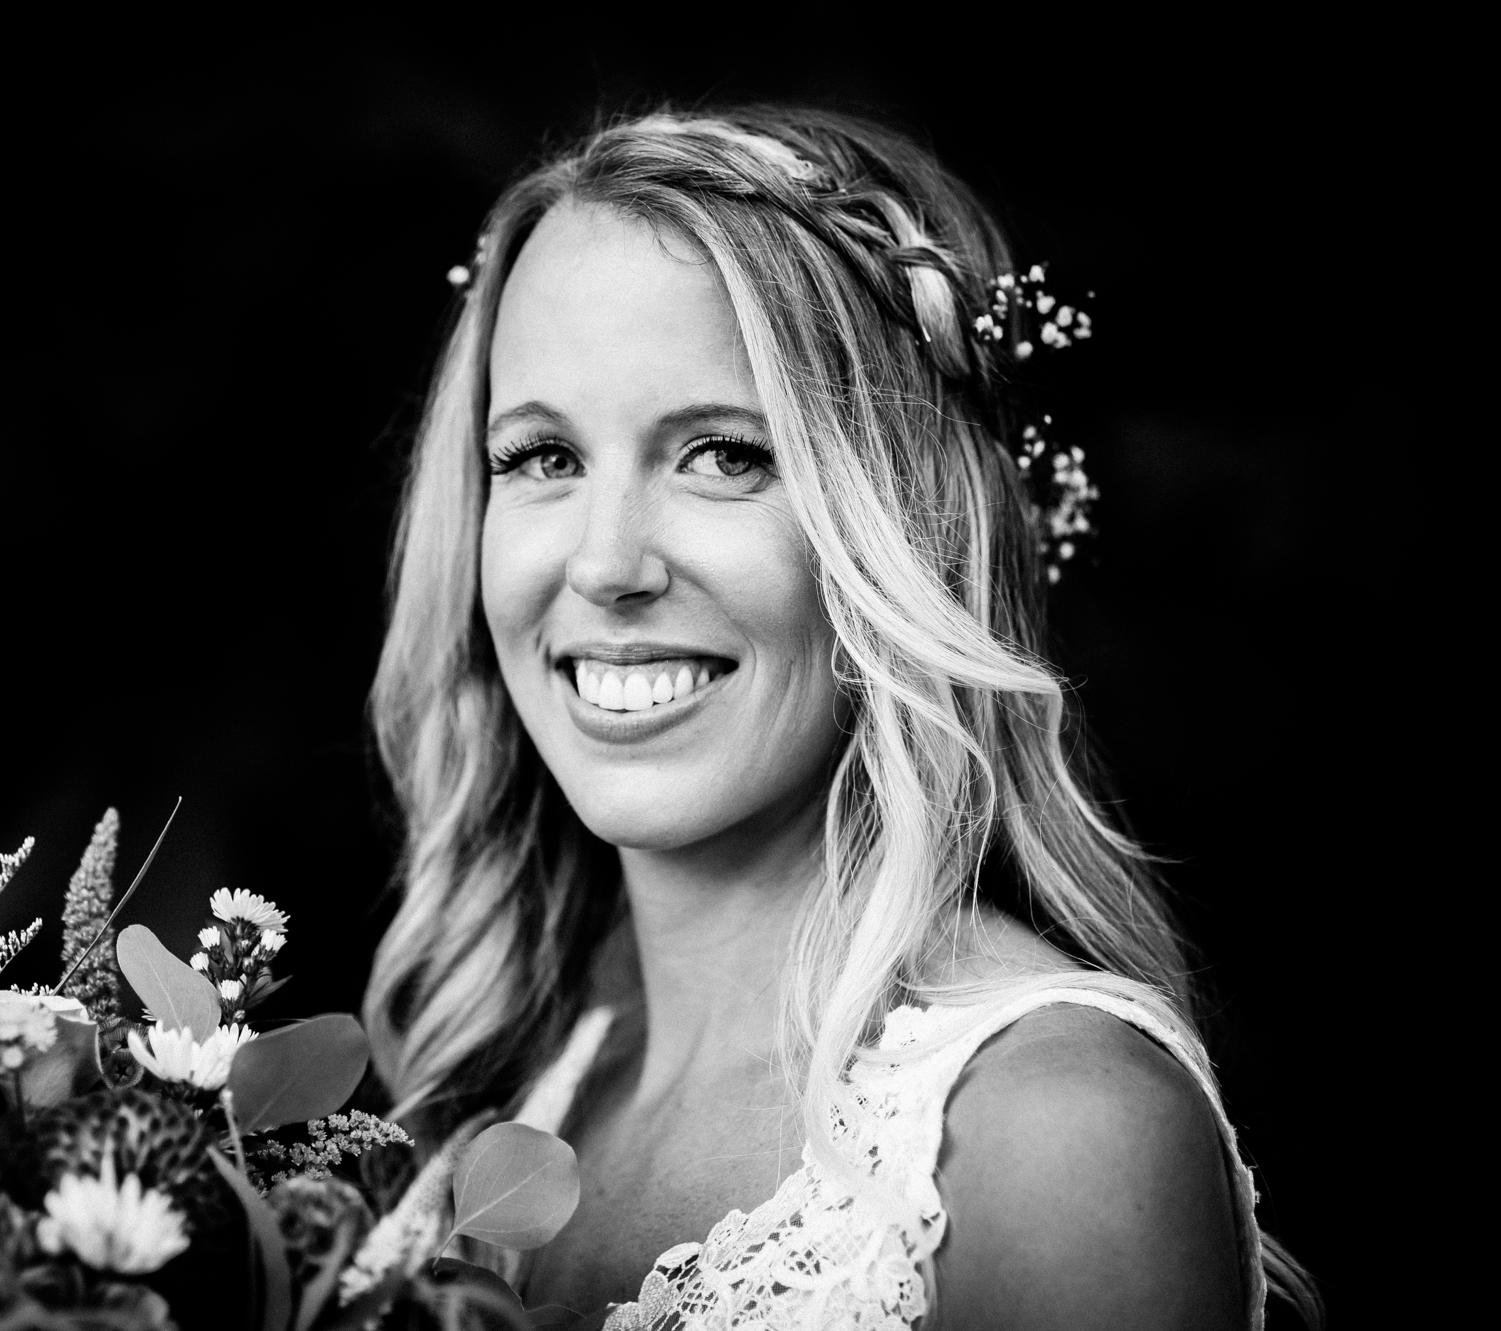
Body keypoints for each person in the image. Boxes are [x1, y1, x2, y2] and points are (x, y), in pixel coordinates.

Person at [362, 107, 1318, 1330]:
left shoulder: (1052, 1131)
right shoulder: (509, 1084)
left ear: (901, 523)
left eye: (722, 453)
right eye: (542, 456)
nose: (603, 566)